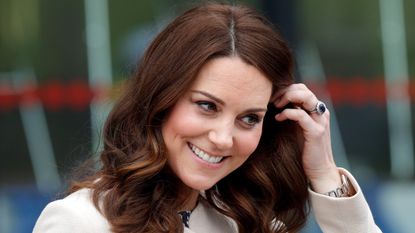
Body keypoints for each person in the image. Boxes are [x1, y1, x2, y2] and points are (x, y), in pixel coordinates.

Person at [33, 2, 382, 233]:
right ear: (161, 98)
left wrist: (323, 172)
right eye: (207, 106)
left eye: (248, 118)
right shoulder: (79, 222)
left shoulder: (247, 222)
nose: (222, 138)